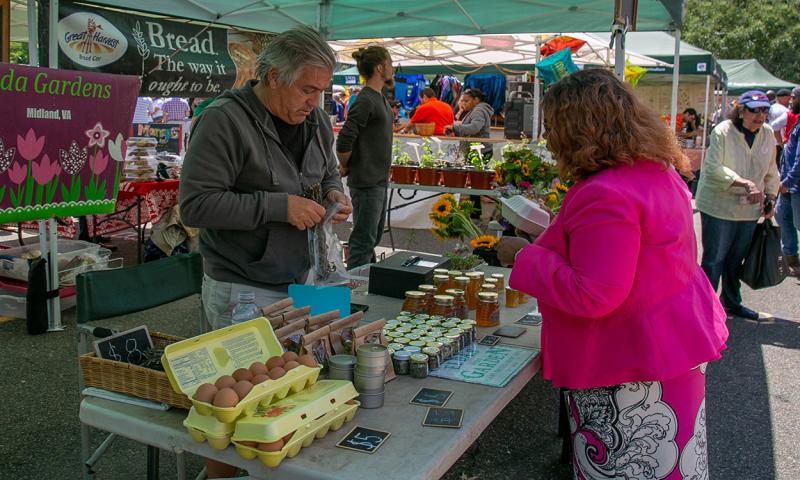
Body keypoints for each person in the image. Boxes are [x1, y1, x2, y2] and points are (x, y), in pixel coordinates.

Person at [508, 69, 728, 480]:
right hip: (670, 348)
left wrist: (524, 257)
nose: (549, 137)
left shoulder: (605, 191)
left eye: (553, 126)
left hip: (629, 365)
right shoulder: (658, 172)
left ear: (576, 129)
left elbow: (595, 293)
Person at [180, 25, 351, 477]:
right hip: (244, 285)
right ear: (273, 76)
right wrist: (279, 207)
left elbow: (328, 171)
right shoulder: (223, 119)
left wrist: (335, 194)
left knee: (286, 405)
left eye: (321, 91)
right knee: (238, 415)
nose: (314, 101)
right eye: (307, 89)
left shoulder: (313, 118)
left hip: (301, 278)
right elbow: (196, 206)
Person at [695, 90, 780, 320]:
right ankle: (705, 309)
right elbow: (713, 168)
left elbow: (771, 169)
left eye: (765, 110)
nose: (760, 115)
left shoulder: (768, 133)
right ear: (741, 111)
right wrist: (745, 183)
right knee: (714, 260)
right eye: (755, 110)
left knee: (735, 259)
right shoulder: (724, 131)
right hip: (718, 206)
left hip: (749, 210)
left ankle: (732, 303)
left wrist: (771, 197)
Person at [335, 45, 394, 269]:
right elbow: (344, 139)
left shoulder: (378, 99)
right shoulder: (366, 99)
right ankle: (355, 292)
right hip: (367, 181)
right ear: (380, 67)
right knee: (363, 241)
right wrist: (346, 164)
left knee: (371, 239)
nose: (392, 68)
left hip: (376, 180)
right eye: (389, 63)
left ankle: (363, 285)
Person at [776, 107, 800, 277]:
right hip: (790, 184)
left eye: (795, 97)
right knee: (782, 215)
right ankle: (791, 258)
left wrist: (787, 181)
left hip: (795, 184)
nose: (792, 100)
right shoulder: (797, 122)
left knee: (798, 223)